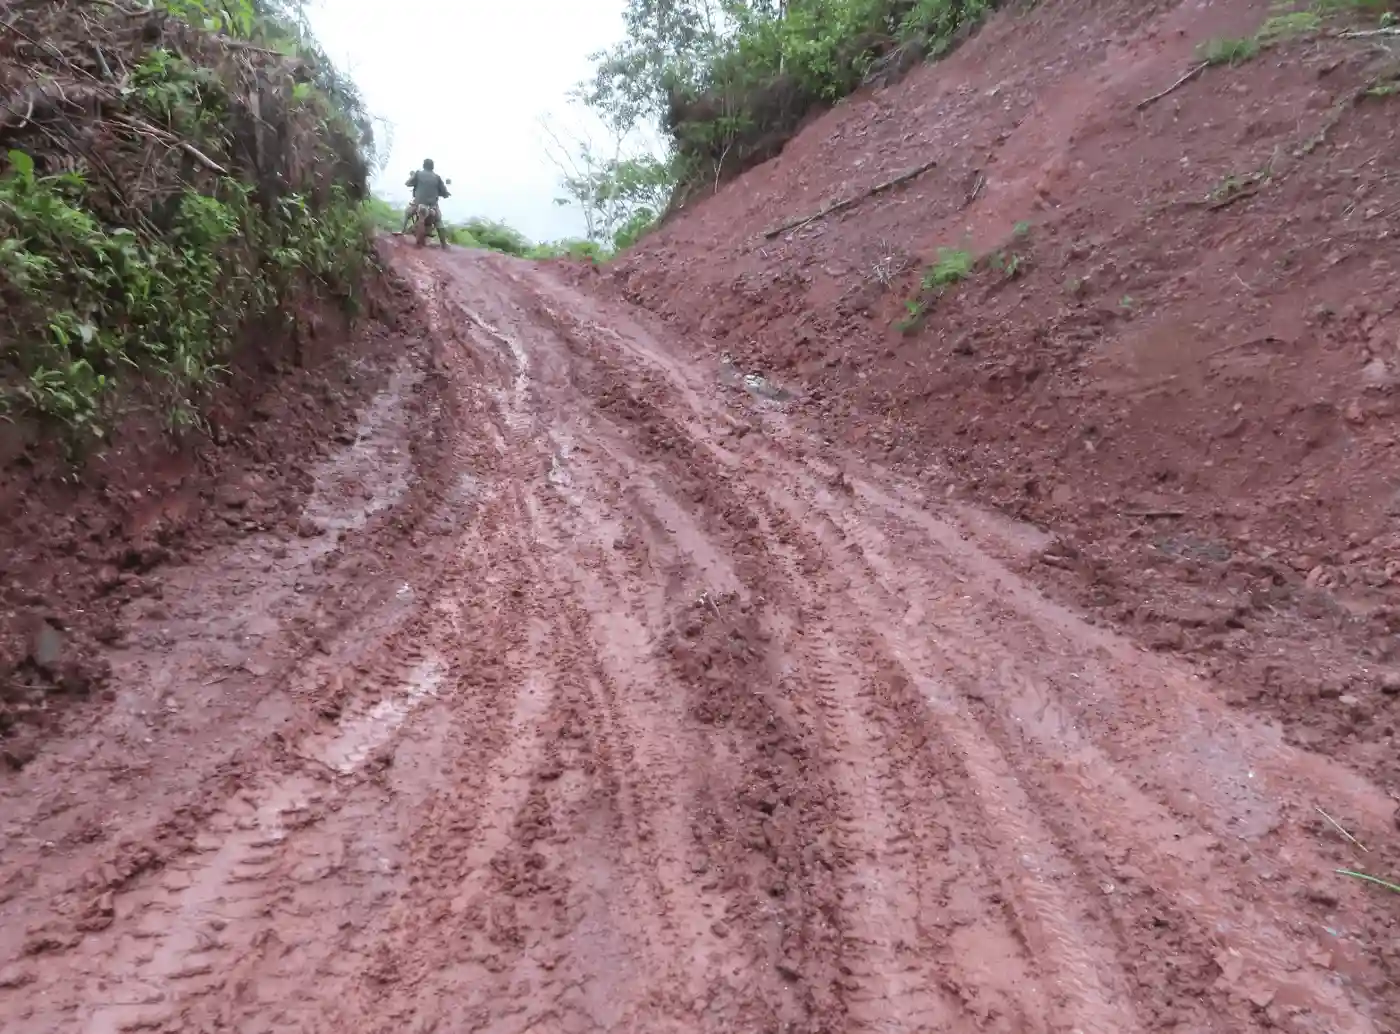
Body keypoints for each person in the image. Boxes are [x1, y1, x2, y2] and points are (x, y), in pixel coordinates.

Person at [401, 158, 451, 248]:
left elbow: (408, 183)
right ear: (432, 167)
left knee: (407, 213)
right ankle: (444, 243)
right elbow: (444, 192)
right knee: (439, 221)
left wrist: (413, 179)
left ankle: (402, 231)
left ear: (423, 165)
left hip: (418, 204)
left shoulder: (418, 174)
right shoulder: (437, 177)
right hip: (432, 206)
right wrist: (445, 194)